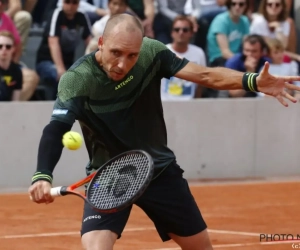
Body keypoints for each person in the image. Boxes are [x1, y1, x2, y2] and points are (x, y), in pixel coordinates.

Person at [28, 13, 300, 250]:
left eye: (132, 55)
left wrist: (250, 80)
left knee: (200, 247)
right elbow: (56, 128)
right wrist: (42, 174)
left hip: (158, 170)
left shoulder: (151, 53)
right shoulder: (77, 79)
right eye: (116, 53)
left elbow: (203, 75)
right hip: (108, 177)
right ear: (101, 43)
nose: (123, 64)